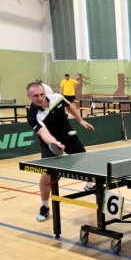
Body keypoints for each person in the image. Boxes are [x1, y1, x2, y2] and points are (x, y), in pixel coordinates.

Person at [26, 81, 95, 222]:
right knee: (47, 174)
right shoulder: (33, 115)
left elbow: (69, 105)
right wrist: (54, 142)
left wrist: (80, 120)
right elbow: (44, 133)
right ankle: (45, 206)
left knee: (85, 162)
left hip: (69, 137)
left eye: (41, 94)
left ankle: (90, 186)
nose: (40, 98)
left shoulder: (56, 98)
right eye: (35, 96)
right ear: (29, 97)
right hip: (50, 144)